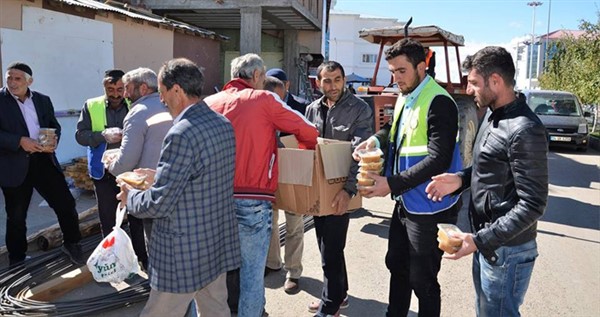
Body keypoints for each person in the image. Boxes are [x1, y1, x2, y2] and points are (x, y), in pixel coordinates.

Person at [425, 46, 548, 316]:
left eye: (474, 83)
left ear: (495, 81)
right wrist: (459, 179)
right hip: (489, 243)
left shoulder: (525, 130)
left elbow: (533, 204)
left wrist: (480, 241)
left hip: (506, 250)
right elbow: (488, 168)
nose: (469, 91)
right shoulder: (493, 115)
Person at [116, 58, 240, 317]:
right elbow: (203, 178)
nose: (161, 100)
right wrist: (157, 176)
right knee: (216, 308)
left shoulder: (181, 133)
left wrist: (132, 197)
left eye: (161, 93)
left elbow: (160, 203)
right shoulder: (221, 123)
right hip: (215, 242)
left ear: (177, 91)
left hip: (183, 249)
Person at [353, 38, 463, 317]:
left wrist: (391, 183)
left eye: (401, 71)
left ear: (421, 67)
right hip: (407, 200)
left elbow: (438, 158)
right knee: (396, 264)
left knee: (422, 278)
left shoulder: (439, 102)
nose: (396, 78)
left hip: (430, 204)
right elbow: (392, 129)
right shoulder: (406, 96)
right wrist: (374, 142)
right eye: (392, 72)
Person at [204, 53, 318, 317]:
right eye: (263, 77)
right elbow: (307, 130)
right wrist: (304, 151)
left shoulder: (209, 102)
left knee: (214, 272)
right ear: (256, 76)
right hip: (252, 199)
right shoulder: (264, 100)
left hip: (212, 200)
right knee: (252, 273)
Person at [304, 61, 373, 317]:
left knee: (331, 249)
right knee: (326, 244)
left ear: (344, 80)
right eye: (326, 80)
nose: (332, 86)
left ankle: (330, 304)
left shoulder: (359, 109)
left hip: (341, 189)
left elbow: (361, 154)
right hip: (318, 191)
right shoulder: (312, 109)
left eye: (337, 80)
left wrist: (348, 190)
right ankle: (338, 293)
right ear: (318, 82)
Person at [0, 62, 83, 266]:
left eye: (17, 78)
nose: (12, 82)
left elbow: (53, 126)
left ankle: (72, 244)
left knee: (65, 204)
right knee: (16, 216)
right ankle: (17, 258)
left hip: (43, 161)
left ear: (30, 81)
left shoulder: (42, 100)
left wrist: (54, 140)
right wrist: (19, 141)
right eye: (9, 77)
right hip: (14, 164)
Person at [104, 67, 173, 270]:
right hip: (175, 186)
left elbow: (126, 162)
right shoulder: (170, 105)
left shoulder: (138, 112)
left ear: (143, 88)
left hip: (150, 190)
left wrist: (111, 165)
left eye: (127, 88)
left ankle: (161, 291)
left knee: (158, 250)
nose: (124, 94)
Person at [75, 70, 143, 253]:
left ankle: (140, 256)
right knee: (107, 217)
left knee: (136, 215)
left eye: (120, 89)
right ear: (104, 87)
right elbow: (80, 136)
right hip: (103, 171)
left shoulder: (135, 105)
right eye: (110, 89)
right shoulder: (91, 105)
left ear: (126, 88)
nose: (115, 94)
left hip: (131, 170)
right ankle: (113, 257)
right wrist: (102, 135)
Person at [263, 71, 310, 294]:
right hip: (268, 173)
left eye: (280, 98)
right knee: (269, 221)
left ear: (286, 88)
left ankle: (294, 272)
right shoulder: (260, 105)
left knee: (294, 223)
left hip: (293, 171)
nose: (278, 103)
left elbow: (309, 135)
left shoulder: (301, 106)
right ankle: (273, 262)